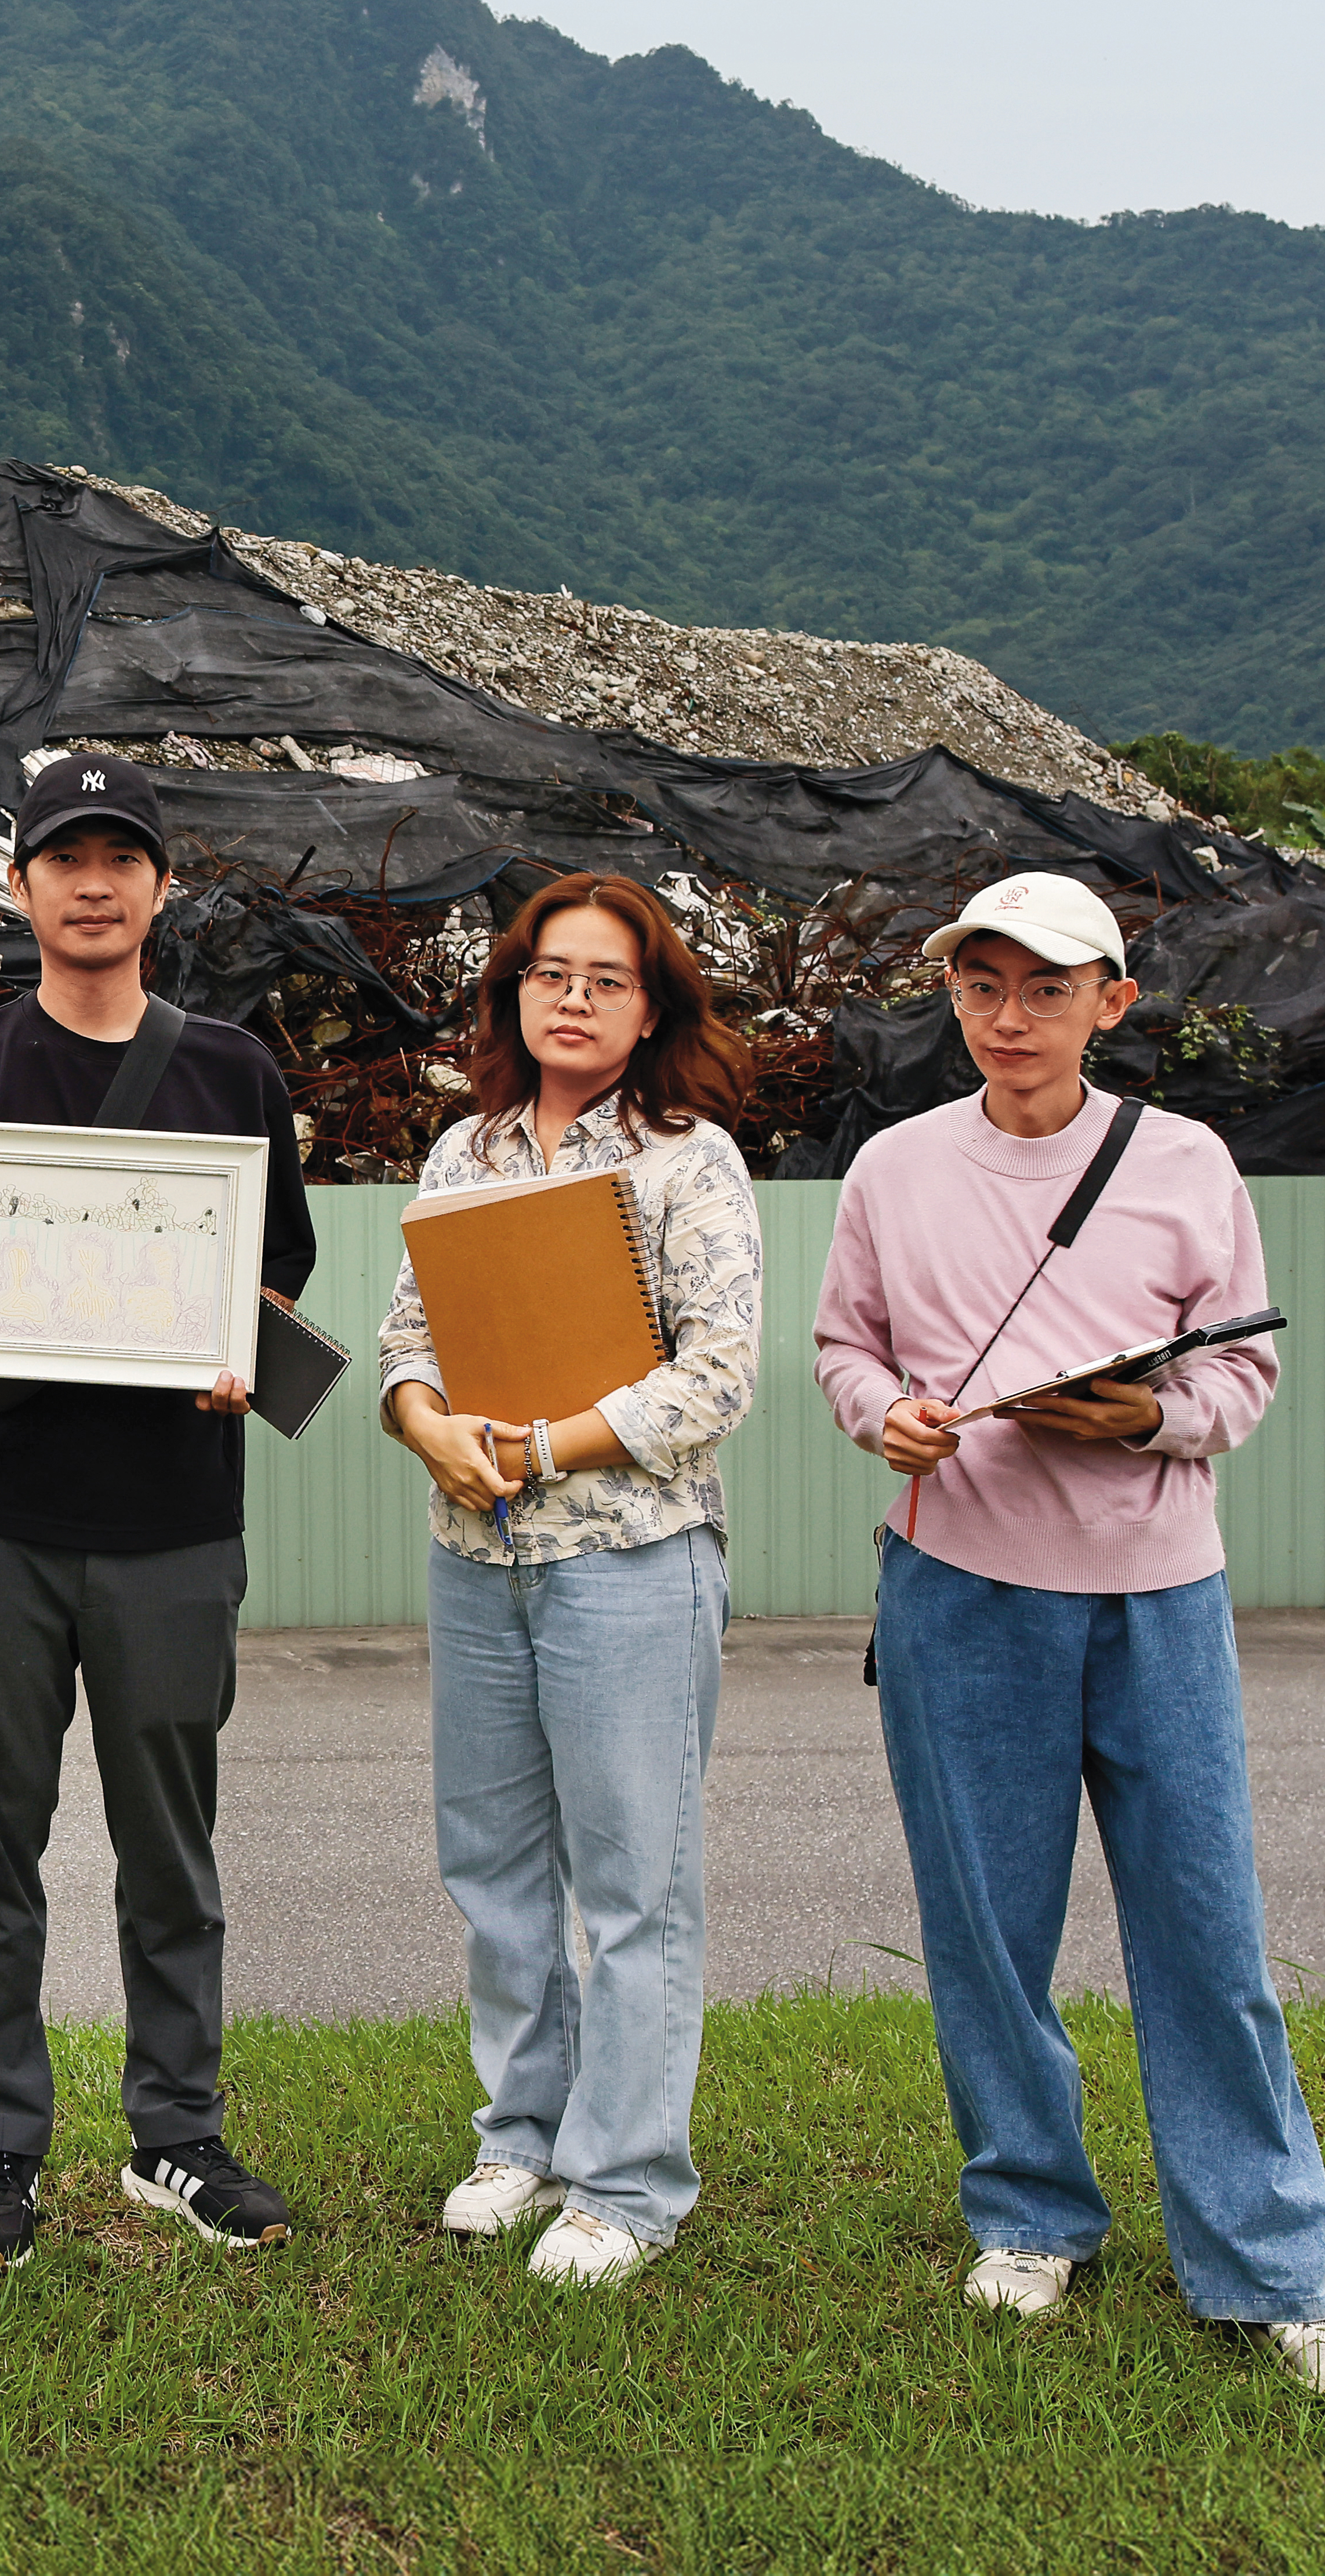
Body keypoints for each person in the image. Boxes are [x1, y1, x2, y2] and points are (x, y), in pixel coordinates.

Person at [814, 869, 1325, 2398]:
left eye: (1048, 988)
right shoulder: (890, 1168)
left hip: (1155, 1595)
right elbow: (844, 1344)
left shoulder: (1187, 1163)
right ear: (951, 997)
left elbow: (1241, 1382)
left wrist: (1143, 1415)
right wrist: (890, 1416)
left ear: (1111, 1004)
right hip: (956, 1590)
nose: (1011, 1018)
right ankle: (1027, 2214)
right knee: (984, 1933)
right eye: (983, 985)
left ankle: (1269, 2267)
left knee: (1207, 1932)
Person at [0, 753, 318, 2266]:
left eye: (123, 855)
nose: (95, 881)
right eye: (67, 855)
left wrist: (235, 1360)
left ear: (158, 886)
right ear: (23, 885)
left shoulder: (234, 1073)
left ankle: (174, 2134)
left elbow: (270, 1289)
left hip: (174, 1521)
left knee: (168, 1844)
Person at [374, 873, 763, 2285]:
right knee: (492, 1870)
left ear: (649, 1002)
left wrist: (540, 1443)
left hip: (629, 1563)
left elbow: (713, 1375)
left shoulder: (687, 1158)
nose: (574, 996)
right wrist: (429, 1425)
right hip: (478, 1559)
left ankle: (630, 2180)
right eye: (551, 971)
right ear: (513, 988)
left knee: (633, 1884)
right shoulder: (462, 1151)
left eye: (606, 976)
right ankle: (521, 2135)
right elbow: (403, 1341)